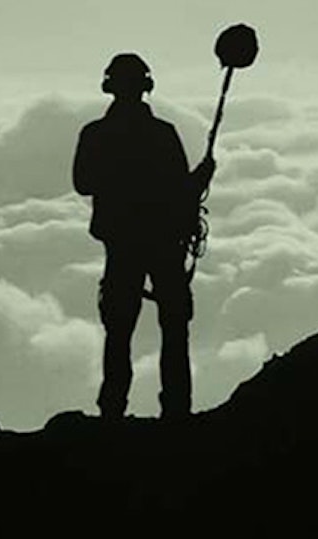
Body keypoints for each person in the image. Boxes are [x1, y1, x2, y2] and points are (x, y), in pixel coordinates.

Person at [74, 53, 214, 417]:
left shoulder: (95, 134)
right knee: (174, 325)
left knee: (118, 330)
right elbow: (183, 191)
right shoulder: (162, 133)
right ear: (145, 86)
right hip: (163, 242)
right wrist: (203, 176)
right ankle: (177, 411)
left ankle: (113, 410)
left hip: (121, 244)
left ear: (110, 86)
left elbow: (82, 183)